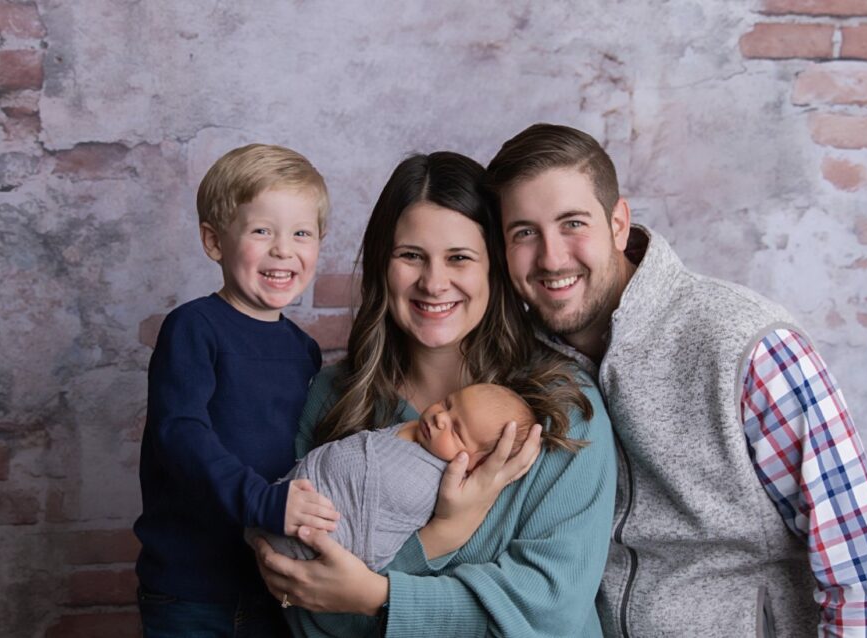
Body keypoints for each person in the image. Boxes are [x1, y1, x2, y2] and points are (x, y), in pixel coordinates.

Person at [485, 123, 867, 637]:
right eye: (524, 232)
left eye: (573, 223)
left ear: (619, 224)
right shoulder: (517, 367)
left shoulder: (744, 344)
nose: (552, 258)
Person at [255, 151, 617, 637]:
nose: (434, 282)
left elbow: (551, 609)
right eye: (411, 256)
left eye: (460, 258)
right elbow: (307, 603)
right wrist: (432, 545)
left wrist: (380, 597)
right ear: (384, 263)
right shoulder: (334, 397)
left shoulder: (561, 408)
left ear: (494, 267)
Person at [134, 144, 340, 637]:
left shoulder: (303, 349)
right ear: (213, 241)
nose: (283, 249)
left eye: (301, 233)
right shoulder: (193, 328)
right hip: (192, 589)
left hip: (272, 581)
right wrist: (262, 501)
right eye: (261, 230)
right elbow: (180, 435)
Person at [248, 383, 577, 572]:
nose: (439, 418)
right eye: (448, 403)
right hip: (286, 507)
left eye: (457, 431)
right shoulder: (337, 390)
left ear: (478, 466)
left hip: (320, 548)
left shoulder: (429, 483)